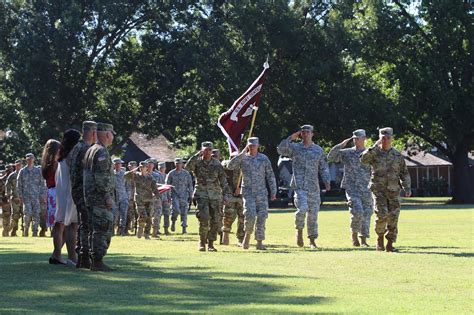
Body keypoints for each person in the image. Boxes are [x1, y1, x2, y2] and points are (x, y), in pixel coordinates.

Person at [277, 125, 331, 249]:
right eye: (303, 132)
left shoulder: (318, 150)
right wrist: (291, 137)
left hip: (313, 187)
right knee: (302, 209)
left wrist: (327, 181)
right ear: (301, 134)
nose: (306, 134)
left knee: (313, 215)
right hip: (299, 186)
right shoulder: (295, 148)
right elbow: (280, 149)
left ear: (312, 134)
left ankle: (312, 240)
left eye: (308, 132)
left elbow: (323, 167)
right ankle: (299, 231)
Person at [360, 127, 411, 252]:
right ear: (380, 139)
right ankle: (380, 239)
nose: (386, 140)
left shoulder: (397, 155)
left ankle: (390, 243)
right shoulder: (374, 153)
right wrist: (373, 147)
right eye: (383, 138)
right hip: (379, 190)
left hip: (394, 190)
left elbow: (404, 173)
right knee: (381, 214)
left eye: (388, 138)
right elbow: (363, 159)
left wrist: (407, 187)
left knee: (393, 217)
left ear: (392, 139)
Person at [227, 137, 277, 250]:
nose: (252, 147)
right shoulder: (243, 158)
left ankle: (259, 242)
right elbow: (230, 166)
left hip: (261, 192)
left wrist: (273, 191)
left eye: (254, 145)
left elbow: (270, 175)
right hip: (248, 192)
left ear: (258, 146)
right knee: (249, 215)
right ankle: (247, 237)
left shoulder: (264, 159)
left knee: (262, 217)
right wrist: (241, 154)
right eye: (250, 145)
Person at [328, 129, 373, 247]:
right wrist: (342, 144)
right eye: (354, 138)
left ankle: (363, 239)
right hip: (352, 188)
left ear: (364, 139)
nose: (356, 140)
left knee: (367, 213)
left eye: (358, 138)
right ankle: (354, 235)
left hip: (366, 187)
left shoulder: (370, 153)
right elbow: (331, 156)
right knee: (357, 211)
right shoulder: (347, 153)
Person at [185, 141, 229, 252]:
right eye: (205, 149)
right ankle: (202, 242)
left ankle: (210, 243)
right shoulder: (197, 162)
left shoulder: (217, 164)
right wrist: (196, 155)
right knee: (203, 217)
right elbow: (187, 168)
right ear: (202, 150)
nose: (207, 152)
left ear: (212, 151)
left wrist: (226, 195)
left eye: (209, 150)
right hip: (201, 194)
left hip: (215, 195)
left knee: (215, 220)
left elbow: (223, 179)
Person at [83, 122, 116, 271]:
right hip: (99, 198)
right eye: (112, 134)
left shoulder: (91, 149)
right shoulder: (101, 151)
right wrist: (107, 196)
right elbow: (101, 177)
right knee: (102, 229)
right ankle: (97, 261)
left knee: (94, 229)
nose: (113, 137)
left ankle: (94, 260)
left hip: (90, 197)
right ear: (108, 135)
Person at [69, 120, 97, 269]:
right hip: (84, 192)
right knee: (86, 225)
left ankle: (81, 257)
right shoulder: (86, 149)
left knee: (82, 224)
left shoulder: (77, 147)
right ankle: (84, 257)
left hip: (76, 190)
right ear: (93, 133)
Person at [53, 129, 81, 265]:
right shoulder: (72, 155)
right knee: (72, 225)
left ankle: (56, 254)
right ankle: (72, 257)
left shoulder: (61, 155)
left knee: (60, 224)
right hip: (70, 193)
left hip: (61, 194)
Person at [40, 139, 63, 263]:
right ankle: (57, 254)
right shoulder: (56, 164)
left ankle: (56, 254)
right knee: (61, 226)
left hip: (51, 193)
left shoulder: (46, 164)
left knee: (58, 226)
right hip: (58, 193)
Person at [126, 161, 160, 239]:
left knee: (149, 217)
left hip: (149, 199)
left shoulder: (150, 177)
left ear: (147, 168)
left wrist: (157, 196)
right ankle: (139, 229)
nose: (142, 168)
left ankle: (146, 234)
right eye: (140, 167)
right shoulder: (136, 176)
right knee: (143, 216)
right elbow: (126, 176)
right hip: (139, 199)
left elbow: (154, 188)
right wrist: (134, 170)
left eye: (143, 167)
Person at [17, 153, 47, 237]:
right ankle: (26, 230)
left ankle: (35, 232)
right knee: (27, 214)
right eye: (28, 159)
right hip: (26, 197)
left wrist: (43, 195)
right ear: (26, 160)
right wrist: (20, 196)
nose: (30, 160)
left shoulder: (38, 171)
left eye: (31, 159)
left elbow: (42, 184)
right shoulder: (23, 171)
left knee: (36, 215)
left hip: (36, 197)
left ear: (33, 159)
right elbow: (19, 184)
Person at [221, 151, 245, 246]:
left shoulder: (244, 165)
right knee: (228, 215)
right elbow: (226, 165)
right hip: (229, 195)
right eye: (233, 157)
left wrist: (240, 188)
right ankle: (225, 236)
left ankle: (241, 238)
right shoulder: (226, 163)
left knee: (242, 217)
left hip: (241, 196)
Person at [165, 158, 193, 234]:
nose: (178, 165)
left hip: (184, 195)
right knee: (176, 210)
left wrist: (191, 195)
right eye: (177, 163)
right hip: (175, 195)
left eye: (180, 163)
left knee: (184, 212)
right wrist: (168, 196)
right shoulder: (171, 173)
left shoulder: (186, 174)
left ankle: (184, 229)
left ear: (182, 164)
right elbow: (167, 185)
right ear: (175, 164)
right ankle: (173, 221)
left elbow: (190, 185)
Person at [5, 160, 23, 236]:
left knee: (25, 215)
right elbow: (7, 186)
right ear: (15, 166)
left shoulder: (24, 174)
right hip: (15, 199)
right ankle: (13, 230)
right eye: (17, 165)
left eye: (20, 165)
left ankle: (24, 232)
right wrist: (8, 197)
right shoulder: (12, 175)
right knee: (15, 216)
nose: (19, 166)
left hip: (24, 199)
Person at [113, 158, 129, 236]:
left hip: (123, 197)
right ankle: (113, 231)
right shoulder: (111, 174)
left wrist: (128, 197)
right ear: (114, 165)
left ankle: (122, 231)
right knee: (114, 216)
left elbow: (128, 186)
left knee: (124, 215)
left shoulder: (124, 174)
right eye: (116, 164)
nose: (118, 165)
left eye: (119, 164)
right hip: (114, 198)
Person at [158, 161, 172, 235]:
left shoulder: (167, 176)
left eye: (163, 167)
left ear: (165, 168)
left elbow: (168, 187)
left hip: (166, 198)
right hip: (159, 198)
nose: (161, 169)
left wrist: (169, 197)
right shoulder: (157, 176)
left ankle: (166, 229)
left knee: (167, 214)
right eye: (160, 167)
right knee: (158, 214)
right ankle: (157, 229)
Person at [125, 161, 137, 234]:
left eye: (133, 166)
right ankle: (126, 229)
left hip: (137, 197)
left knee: (137, 214)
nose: (131, 167)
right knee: (129, 214)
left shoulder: (138, 175)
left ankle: (136, 230)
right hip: (129, 198)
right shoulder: (126, 175)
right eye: (130, 166)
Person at [1, 165, 13, 236]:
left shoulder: (14, 178)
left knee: (14, 217)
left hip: (13, 200)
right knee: (6, 217)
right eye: (8, 170)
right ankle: (5, 232)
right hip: (5, 201)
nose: (9, 172)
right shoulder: (2, 179)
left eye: (10, 170)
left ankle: (11, 231)